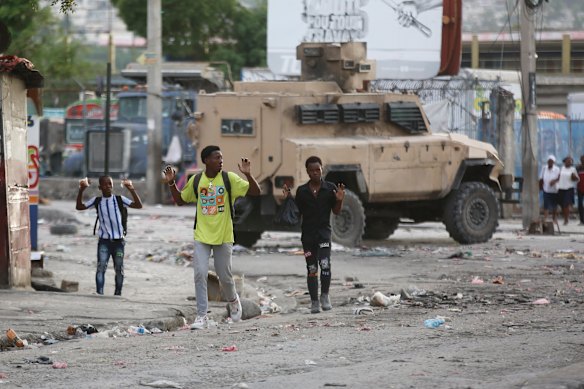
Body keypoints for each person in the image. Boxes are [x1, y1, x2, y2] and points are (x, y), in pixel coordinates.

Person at [164, 145, 261, 329]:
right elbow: (180, 200)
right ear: (206, 160)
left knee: (224, 276)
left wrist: (248, 174)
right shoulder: (197, 180)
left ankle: (233, 300)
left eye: (221, 158)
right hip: (202, 235)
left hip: (224, 235)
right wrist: (171, 183)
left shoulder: (228, 178)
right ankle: (201, 316)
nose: (221, 161)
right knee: (199, 274)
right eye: (217, 158)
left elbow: (255, 192)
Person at [283, 156, 345, 314]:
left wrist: (339, 200)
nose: (316, 172)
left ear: (322, 169)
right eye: (312, 170)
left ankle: (325, 296)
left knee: (325, 264)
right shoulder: (302, 191)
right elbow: (296, 214)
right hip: (308, 238)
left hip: (324, 235)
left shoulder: (330, 188)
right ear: (308, 172)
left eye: (318, 169)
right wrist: (289, 199)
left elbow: (336, 211)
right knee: (312, 268)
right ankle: (314, 302)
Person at [75, 176, 143, 296]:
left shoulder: (119, 199)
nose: (108, 187)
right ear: (100, 187)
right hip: (104, 242)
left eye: (110, 184)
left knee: (119, 269)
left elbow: (138, 205)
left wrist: (131, 189)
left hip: (119, 242)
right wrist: (81, 190)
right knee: (101, 268)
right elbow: (79, 207)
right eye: (105, 185)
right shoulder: (97, 201)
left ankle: (118, 294)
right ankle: (99, 293)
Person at [557, 155, 580, 225]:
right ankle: (565, 217)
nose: (569, 162)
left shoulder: (573, 169)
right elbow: (558, 177)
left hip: (569, 188)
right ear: (565, 162)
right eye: (568, 161)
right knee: (562, 204)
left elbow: (578, 179)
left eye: (570, 161)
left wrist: (574, 177)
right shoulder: (562, 168)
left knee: (566, 204)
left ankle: (566, 219)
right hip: (561, 188)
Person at [539, 155, 560, 223]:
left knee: (554, 205)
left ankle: (554, 218)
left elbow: (560, 178)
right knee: (546, 205)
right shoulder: (544, 168)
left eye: (551, 161)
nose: (550, 162)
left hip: (555, 190)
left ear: (553, 162)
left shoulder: (557, 169)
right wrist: (540, 187)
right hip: (546, 189)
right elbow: (541, 178)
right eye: (549, 161)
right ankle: (546, 218)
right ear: (547, 162)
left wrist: (554, 181)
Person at [577, 155, 584, 225]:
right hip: (580, 189)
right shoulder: (578, 168)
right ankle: (582, 220)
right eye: (581, 159)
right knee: (580, 205)